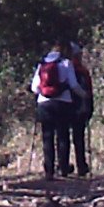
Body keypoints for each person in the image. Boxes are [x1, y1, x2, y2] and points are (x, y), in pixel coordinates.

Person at [30, 37, 87, 181]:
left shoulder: (42, 64)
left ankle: (49, 169)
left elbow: (34, 88)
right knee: (62, 136)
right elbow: (73, 85)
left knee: (47, 137)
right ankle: (63, 168)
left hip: (44, 103)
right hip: (63, 103)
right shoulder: (66, 63)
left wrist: (45, 92)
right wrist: (84, 95)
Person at [65, 41, 94, 177]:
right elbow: (87, 91)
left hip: (63, 106)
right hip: (79, 108)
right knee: (79, 138)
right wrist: (89, 108)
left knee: (62, 137)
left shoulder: (63, 68)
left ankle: (62, 165)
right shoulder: (82, 71)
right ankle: (81, 166)